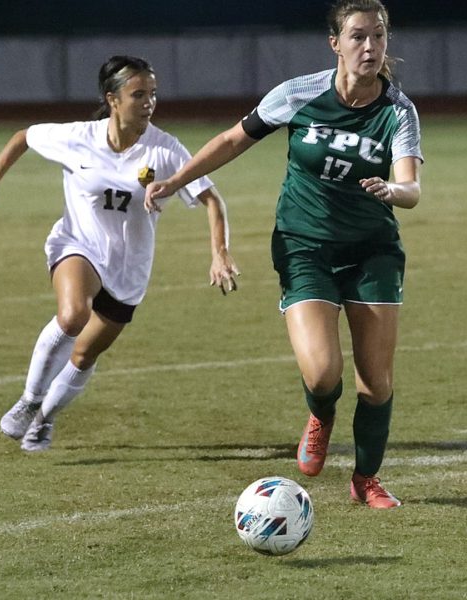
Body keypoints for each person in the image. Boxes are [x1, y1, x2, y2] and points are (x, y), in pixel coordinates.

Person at [145, 0, 422, 509]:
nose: (370, 47)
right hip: (304, 245)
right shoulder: (299, 93)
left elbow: (412, 187)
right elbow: (233, 140)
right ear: (335, 43)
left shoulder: (398, 110)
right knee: (322, 373)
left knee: (376, 384)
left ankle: (366, 479)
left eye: (379, 36)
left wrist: (393, 190)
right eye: (358, 36)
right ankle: (321, 414)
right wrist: (177, 180)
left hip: (373, 251)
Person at [0, 55, 239, 452]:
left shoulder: (165, 150)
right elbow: (24, 137)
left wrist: (220, 253)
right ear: (112, 99)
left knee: (83, 354)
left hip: (129, 269)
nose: (149, 102)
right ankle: (29, 401)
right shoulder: (79, 137)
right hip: (78, 245)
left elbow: (212, 199)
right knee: (73, 315)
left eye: (153, 94)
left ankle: (45, 419)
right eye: (138, 94)